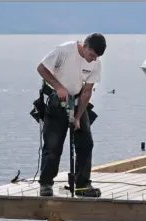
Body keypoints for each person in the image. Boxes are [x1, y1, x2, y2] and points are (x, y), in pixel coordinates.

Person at [36, 33, 106, 197]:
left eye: (96, 57)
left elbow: (87, 91)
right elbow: (41, 68)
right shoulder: (64, 51)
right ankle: (45, 184)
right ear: (85, 46)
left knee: (86, 143)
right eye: (91, 55)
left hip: (77, 102)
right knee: (53, 145)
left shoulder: (96, 63)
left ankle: (82, 185)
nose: (93, 59)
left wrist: (79, 117)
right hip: (56, 100)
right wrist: (58, 86)